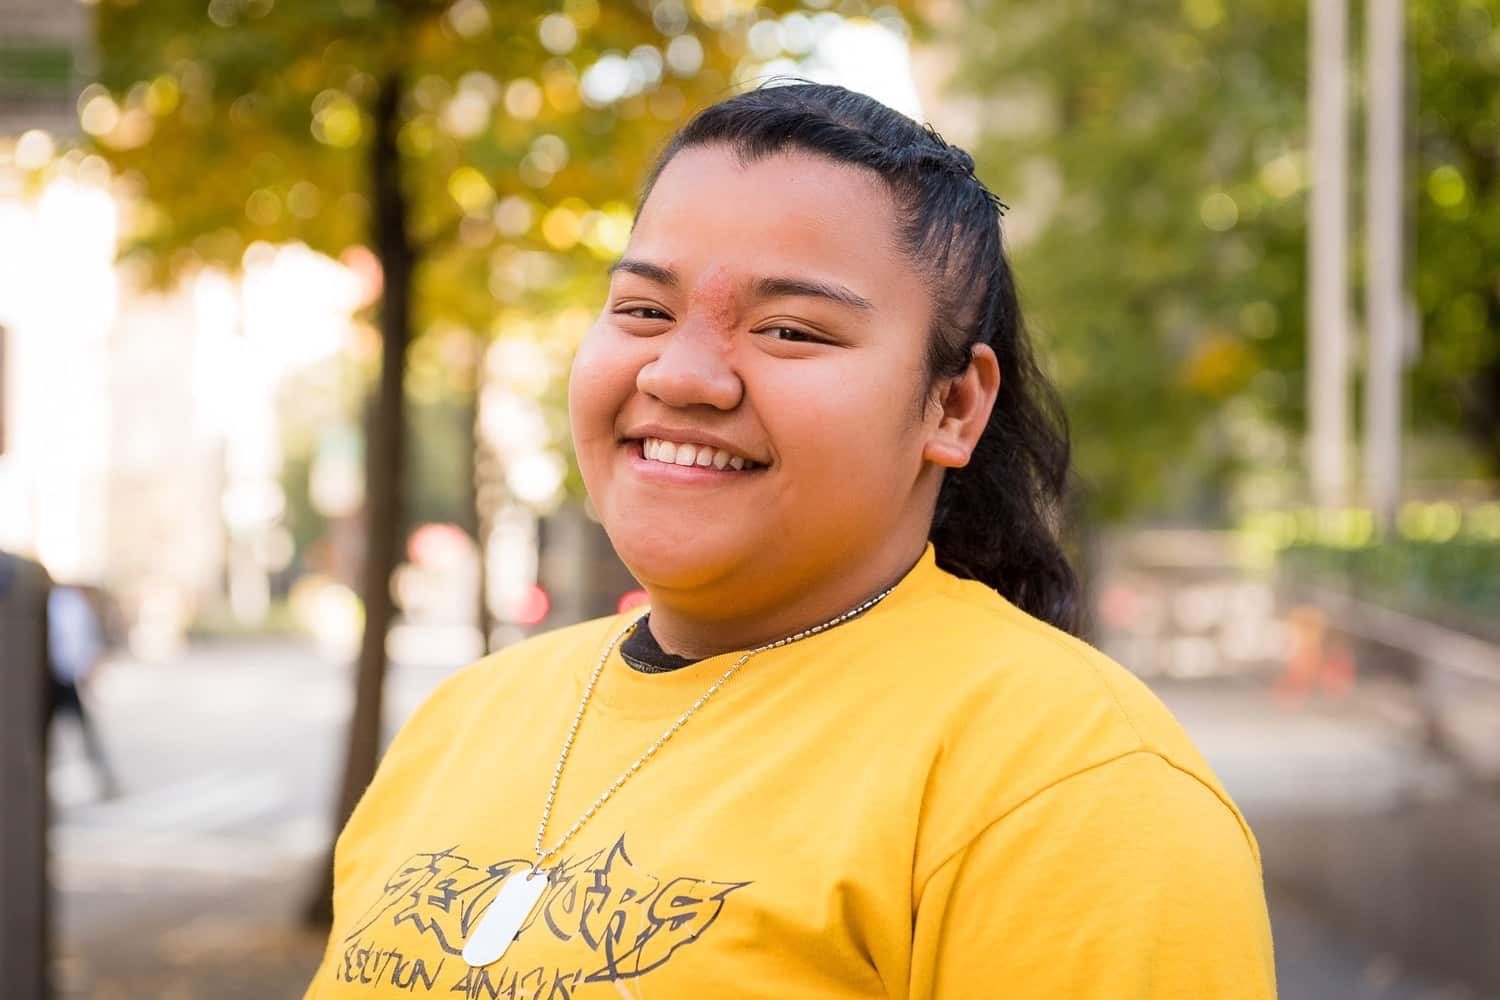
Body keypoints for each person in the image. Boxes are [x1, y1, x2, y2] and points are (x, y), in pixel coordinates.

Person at [306, 83, 1275, 998]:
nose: (682, 375)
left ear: (952, 403)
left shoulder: (1074, 783)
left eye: (792, 331)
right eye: (643, 309)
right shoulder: (466, 718)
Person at [47, 583, 120, 799]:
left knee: (86, 734)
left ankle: (105, 782)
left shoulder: (69, 603)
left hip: (67, 678)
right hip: (55, 678)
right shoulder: (62, 602)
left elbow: (83, 641)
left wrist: (87, 666)